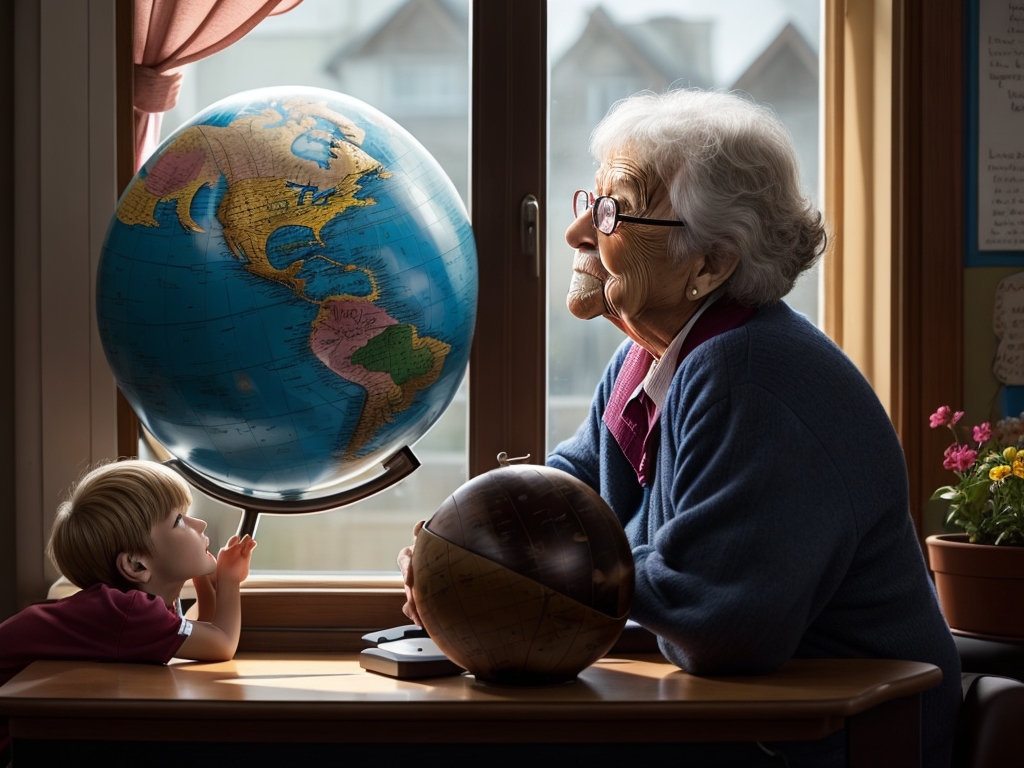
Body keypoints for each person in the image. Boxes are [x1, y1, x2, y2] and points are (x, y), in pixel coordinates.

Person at [402, 88, 961, 767]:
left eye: (615, 213)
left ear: (710, 265)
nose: (579, 233)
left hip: (843, 740)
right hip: (746, 720)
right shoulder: (647, 361)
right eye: (591, 202)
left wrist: (512, 576)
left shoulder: (749, 376)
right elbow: (557, 511)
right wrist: (461, 552)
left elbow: (719, 624)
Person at [0, 459, 257, 764]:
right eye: (179, 520)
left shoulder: (130, 607)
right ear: (136, 565)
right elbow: (221, 643)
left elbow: (203, 635)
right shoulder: (127, 611)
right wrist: (228, 579)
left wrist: (202, 571)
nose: (199, 525)